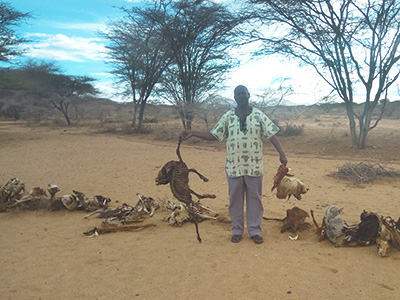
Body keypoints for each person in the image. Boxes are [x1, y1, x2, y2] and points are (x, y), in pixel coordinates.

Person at [181, 85, 288, 244]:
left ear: (249, 95)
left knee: (255, 199)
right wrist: (193, 132)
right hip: (234, 166)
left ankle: (254, 231)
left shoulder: (259, 115)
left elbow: (272, 134)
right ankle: (237, 230)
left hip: (254, 166)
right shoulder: (228, 116)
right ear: (234, 98)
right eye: (238, 94)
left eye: (243, 93)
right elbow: (214, 134)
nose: (241, 96)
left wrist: (282, 153)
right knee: (234, 200)